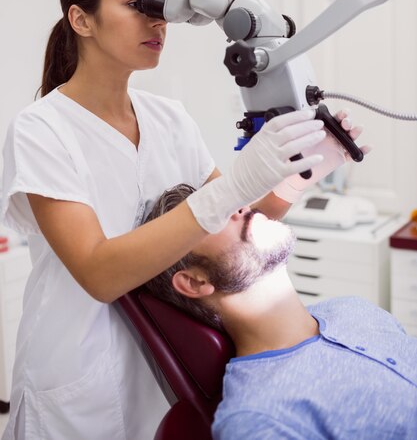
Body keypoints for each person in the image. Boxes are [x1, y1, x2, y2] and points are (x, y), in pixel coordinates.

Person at [0, 0, 333, 440]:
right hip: (76, 371)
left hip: (165, 362)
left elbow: (241, 222)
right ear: (82, 19)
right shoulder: (41, 129)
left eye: (161, 6)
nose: (159, 23)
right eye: (139, 3)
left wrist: (297, 172)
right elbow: (98, 273)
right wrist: (237, 184)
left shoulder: (168, 117)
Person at [143, 183, 417, 440]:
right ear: (194, 281)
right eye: (211, 216)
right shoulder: (260, 418)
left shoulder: (354, 309)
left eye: (228, 203)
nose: (240, 207)